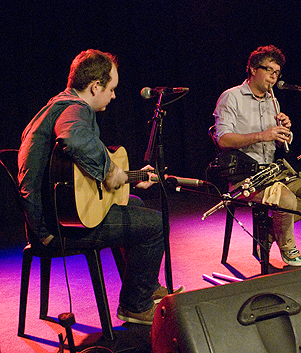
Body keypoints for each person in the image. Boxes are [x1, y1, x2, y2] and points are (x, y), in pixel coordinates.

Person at [18, 49, 183, 326]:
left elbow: (75, 166)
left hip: (48, 219)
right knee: (156, 223)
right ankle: (134, 305)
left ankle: (144, 286)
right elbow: (75, 139)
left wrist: (128, 176)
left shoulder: (57, 105)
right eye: (111, 89)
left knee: (135, 204)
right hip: (55, 228)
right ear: (96, 86)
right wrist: (109, 172)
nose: (114, 96)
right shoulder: (75, 109)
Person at [213, 45, 301, 266]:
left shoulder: (272, 100)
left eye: (277, 73)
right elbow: (224, 139)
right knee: (285, 199)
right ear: (253, 69)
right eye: (269, 71)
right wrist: (262, 135)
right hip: (244, 177)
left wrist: (285, 133)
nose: (273, 78)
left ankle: (269, 231)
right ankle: (288, 246)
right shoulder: (231, 97)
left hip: (272, 173)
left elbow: (280, 143)